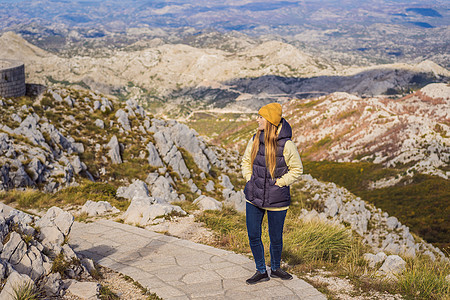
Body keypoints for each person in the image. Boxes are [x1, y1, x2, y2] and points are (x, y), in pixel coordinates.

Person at [241, 102, 303, 285]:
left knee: (275, 237)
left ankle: (275, 268)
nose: (257, 119)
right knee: (253, 234)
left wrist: (280, 183)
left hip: (277, 199)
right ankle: (261, 271)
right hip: (254, 196)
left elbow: (297, 169)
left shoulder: (287, 145)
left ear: (269, 121)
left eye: (260, 117)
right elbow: (246, 161)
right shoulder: (254, 138)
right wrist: (249, 178)